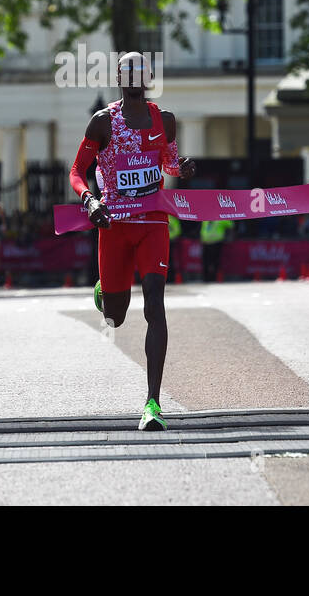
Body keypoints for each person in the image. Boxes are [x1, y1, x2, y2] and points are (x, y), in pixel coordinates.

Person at [69, 52, 195, 431]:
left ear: (149, 78)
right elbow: (78, 171)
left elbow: (168, 162)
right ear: (121, 79)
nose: (136, 82)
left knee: (154, 305)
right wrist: (89, 199)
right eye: (129, 75)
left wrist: (181, 168)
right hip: (115, 226)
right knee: (115, 316)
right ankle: (104, 292)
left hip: (153, 222)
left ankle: (152, 403)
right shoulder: (103, 122)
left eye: (142, 75)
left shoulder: (165, 120)